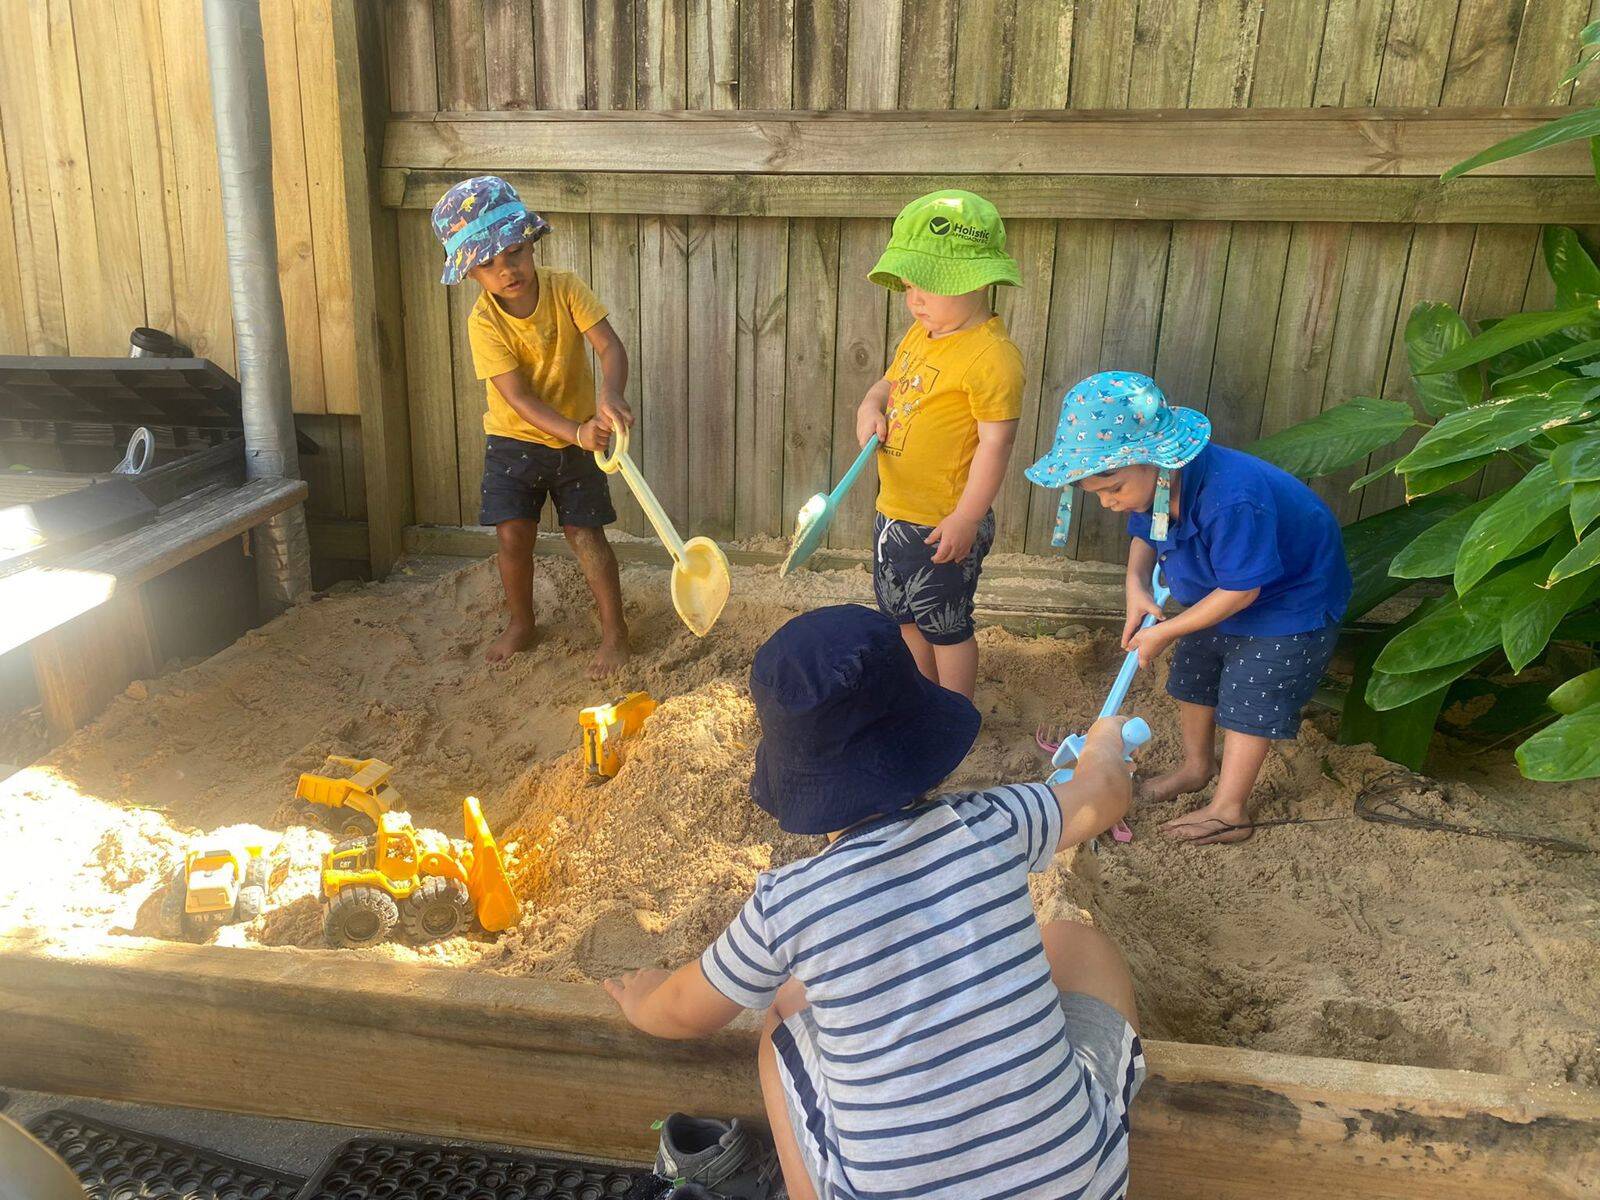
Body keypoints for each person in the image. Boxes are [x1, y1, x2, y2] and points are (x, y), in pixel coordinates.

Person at [606, 605, 1144, 1200]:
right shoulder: (993, 821)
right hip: (1076, 1186)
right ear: (922, 730)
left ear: (795, 774)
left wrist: (641, 999)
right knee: (1079, 943)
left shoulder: (788, 905)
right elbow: (1102, 795)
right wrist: (1103, 742)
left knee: (783, 1012)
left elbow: (684, 1010)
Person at [1026, 371, 1353, 845]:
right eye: (1095, 493)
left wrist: (1165, 630)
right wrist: (1136, 585)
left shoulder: (1232, 499)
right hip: (1217, 590)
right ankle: (1197, 769)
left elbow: (1245, 592)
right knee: (1193, 677)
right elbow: (1146, 531)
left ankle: (1230, 808)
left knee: (1250, 697)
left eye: (1112, 487)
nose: (1108, 502)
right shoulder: (1152, 484)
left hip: (1289, 602)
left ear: (1157, 462)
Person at [432, 175, 632, 675]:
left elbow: (609, 347)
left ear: (530, 243)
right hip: (513, 443)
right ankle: (522, 623)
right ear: (472, 274)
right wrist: (577, 431)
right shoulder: (484, 323)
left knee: (587, 536)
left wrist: (609, 394)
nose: (507, 269)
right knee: (512, 537)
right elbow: (517, 398)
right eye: (489, 263)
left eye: (514, 252)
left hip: (579, 441)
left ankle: (615, 633)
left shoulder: (565, 288)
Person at [853, 190, 1025, 699]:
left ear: (977, 280)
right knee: (901, 614)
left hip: (944, 522)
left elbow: (996, 445)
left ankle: (954, 712)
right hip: (895, 509)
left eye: (929, 286)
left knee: (944, 624)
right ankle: (922, 697)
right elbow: (888, 383)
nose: (915, 299)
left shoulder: (992, 357)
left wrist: (967, 518)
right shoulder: (920, 333)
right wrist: (869, 404)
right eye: (908, 287)